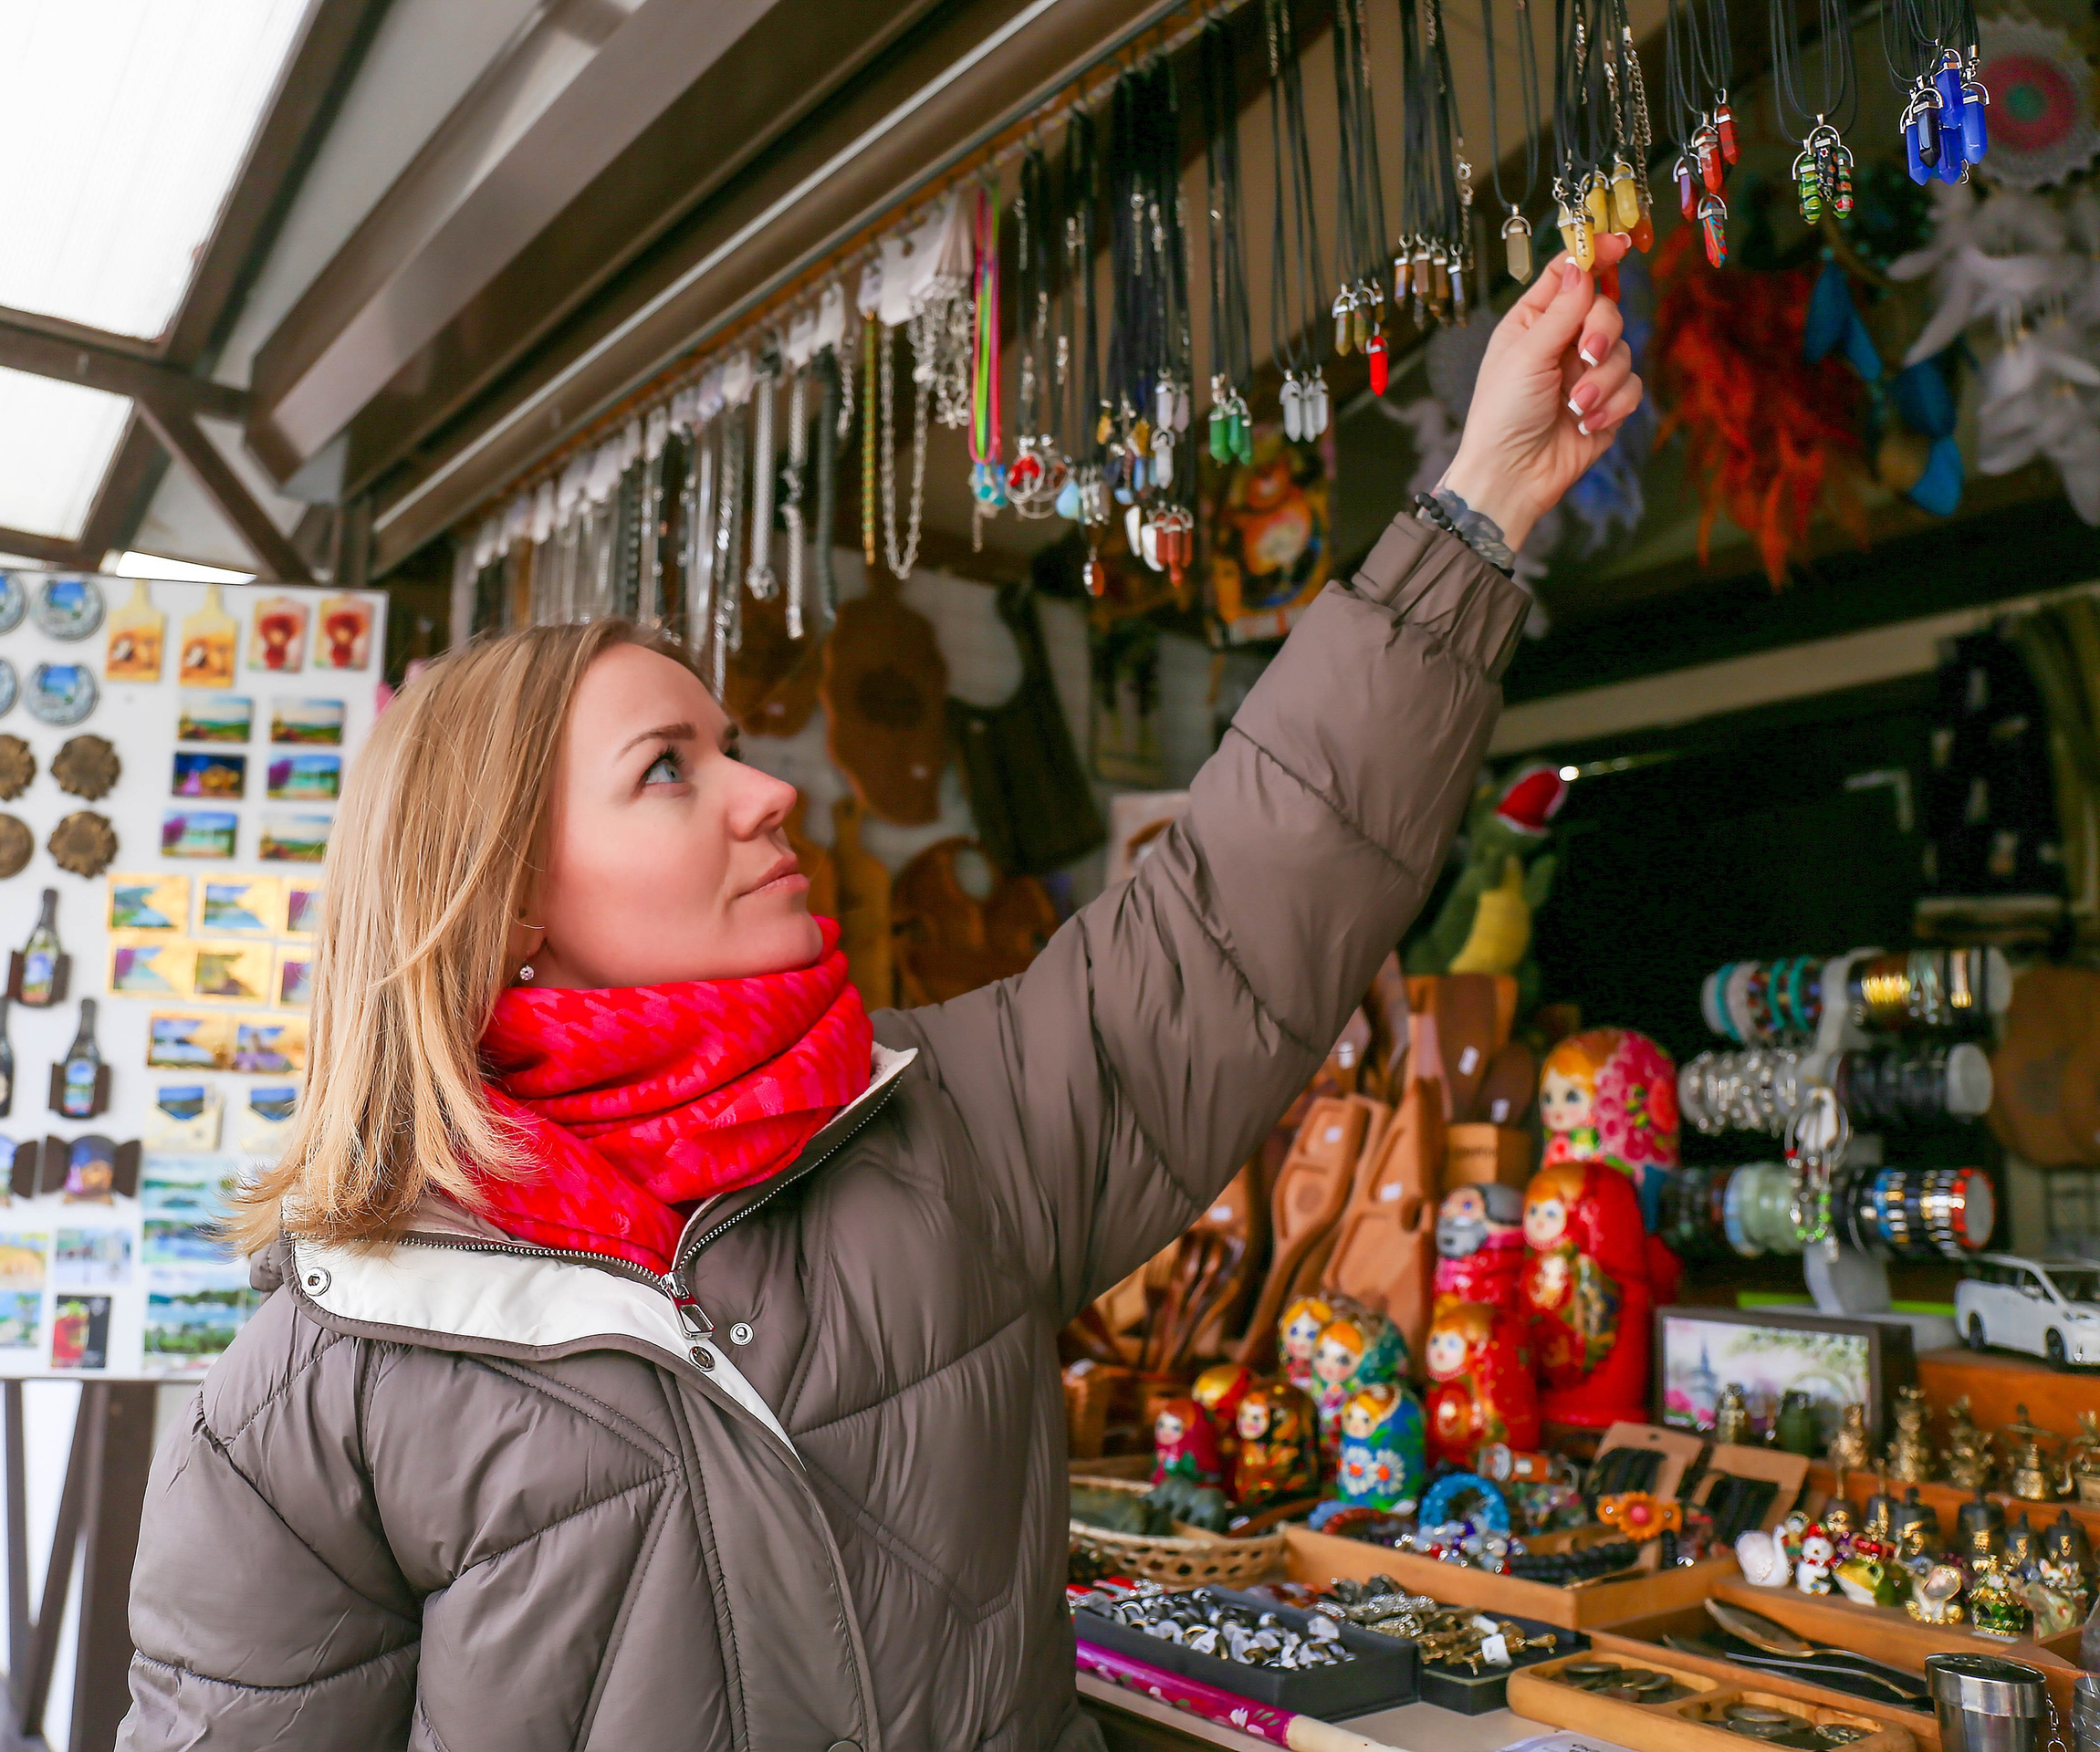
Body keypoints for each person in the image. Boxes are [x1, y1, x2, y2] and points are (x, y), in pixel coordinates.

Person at [118, 246, 1644, 1752]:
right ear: (508, 900)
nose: (768, 790)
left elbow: (1235, 917)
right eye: (670, 770)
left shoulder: (946, 1124)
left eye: (730, 744)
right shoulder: (325, 1386)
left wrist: (1477, 508)